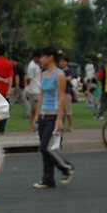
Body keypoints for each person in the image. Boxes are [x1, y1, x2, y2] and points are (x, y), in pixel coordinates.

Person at [31, 46, 74, 189]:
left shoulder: (59, 74)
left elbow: (62, 97)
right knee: (44, 148)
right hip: (43, 114)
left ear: (50, 57)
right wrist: (36, 116)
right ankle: (47, 179)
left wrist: (60, 118)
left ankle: (66, 167)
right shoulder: (43, 74)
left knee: (45, 148)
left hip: (53, 114)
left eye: (43, 56)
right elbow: (42, 96)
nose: (40, 59)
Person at [25, 48, 42, 124]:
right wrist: (27, 89)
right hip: (34, 90)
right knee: (35, 109)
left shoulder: (39, 64)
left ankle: (34, 124)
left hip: (38, 89)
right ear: (36, 57)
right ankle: (33, 124)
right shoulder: (32, 66)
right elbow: (28, 79)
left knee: (35, 109)